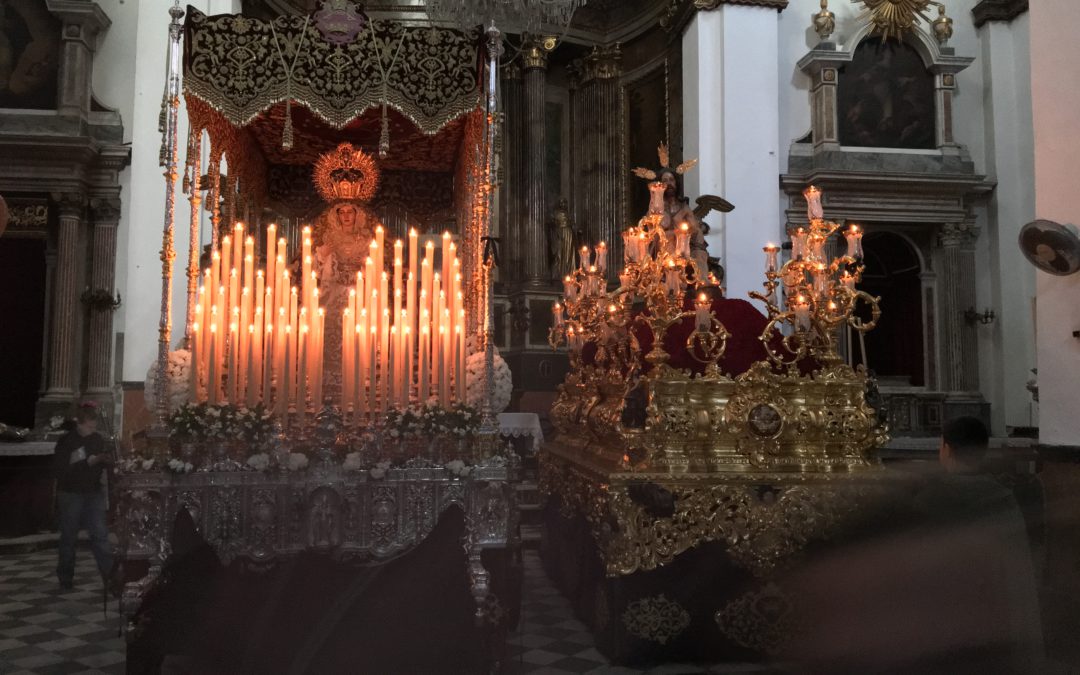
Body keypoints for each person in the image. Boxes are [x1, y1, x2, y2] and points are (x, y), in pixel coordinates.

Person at [53, 402, 113, 591]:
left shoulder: (96, 439)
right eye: (89, 426)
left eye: (94, 427)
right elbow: (61, 469)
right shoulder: (66, 442)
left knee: (101, 535)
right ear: (79, 423)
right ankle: (65, 578)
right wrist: (88, 462)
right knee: (69, 537)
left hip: (92, 492)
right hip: (71, 493)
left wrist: (104, 460)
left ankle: (110, 578)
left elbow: (101, 462)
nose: (92, 430)